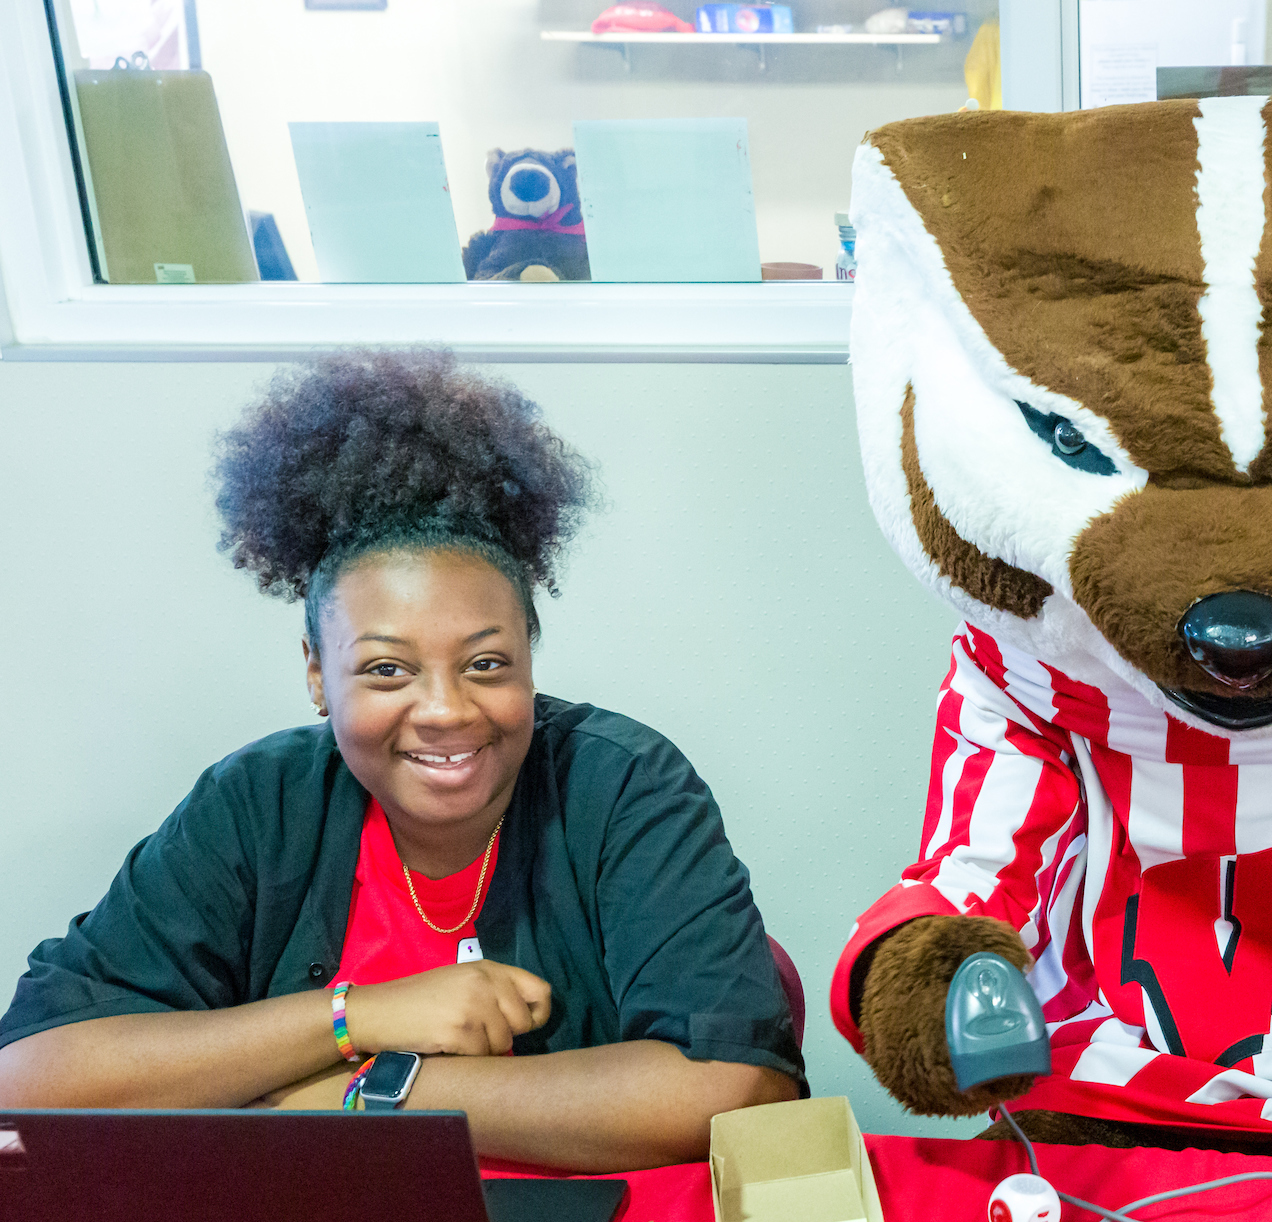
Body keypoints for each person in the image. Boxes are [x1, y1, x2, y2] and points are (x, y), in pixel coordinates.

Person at [0, 350, 803, 1171]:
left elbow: (736, 1091)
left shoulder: (623, 786)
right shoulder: (256, 804)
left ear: (530, 652)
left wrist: (365, 1096)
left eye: (487, 663)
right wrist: (357, 1018)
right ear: (317, 673)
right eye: (387, 669)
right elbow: (29, 1077)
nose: (447, 710)